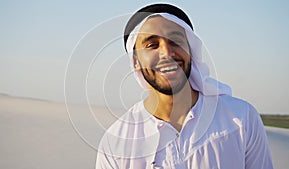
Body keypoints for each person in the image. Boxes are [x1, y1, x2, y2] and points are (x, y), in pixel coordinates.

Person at [96, 3, 273, 169]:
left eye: (175, 41)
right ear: (136, 62)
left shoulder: (241, 118)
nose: (166, 53)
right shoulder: (115, 144)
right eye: (152, 45)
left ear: (191, 51)